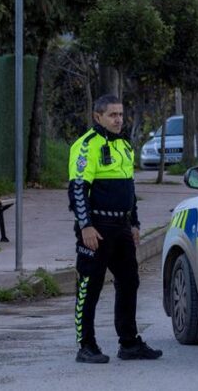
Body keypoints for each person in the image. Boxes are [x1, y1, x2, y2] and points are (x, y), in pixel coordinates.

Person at [68, 95, 162, 363]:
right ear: (98, 117)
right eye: (112, 115)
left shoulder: (124, 145)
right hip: (97, 227)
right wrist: (85, 225)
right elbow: (78, 190)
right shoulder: (86, 145)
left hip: (121, 227)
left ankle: (129, 343)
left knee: (129, 281)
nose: (118, 119)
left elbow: (129, 189)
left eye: (120, 114)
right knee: (90, 285)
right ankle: (86, 345)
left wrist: (134, 223)